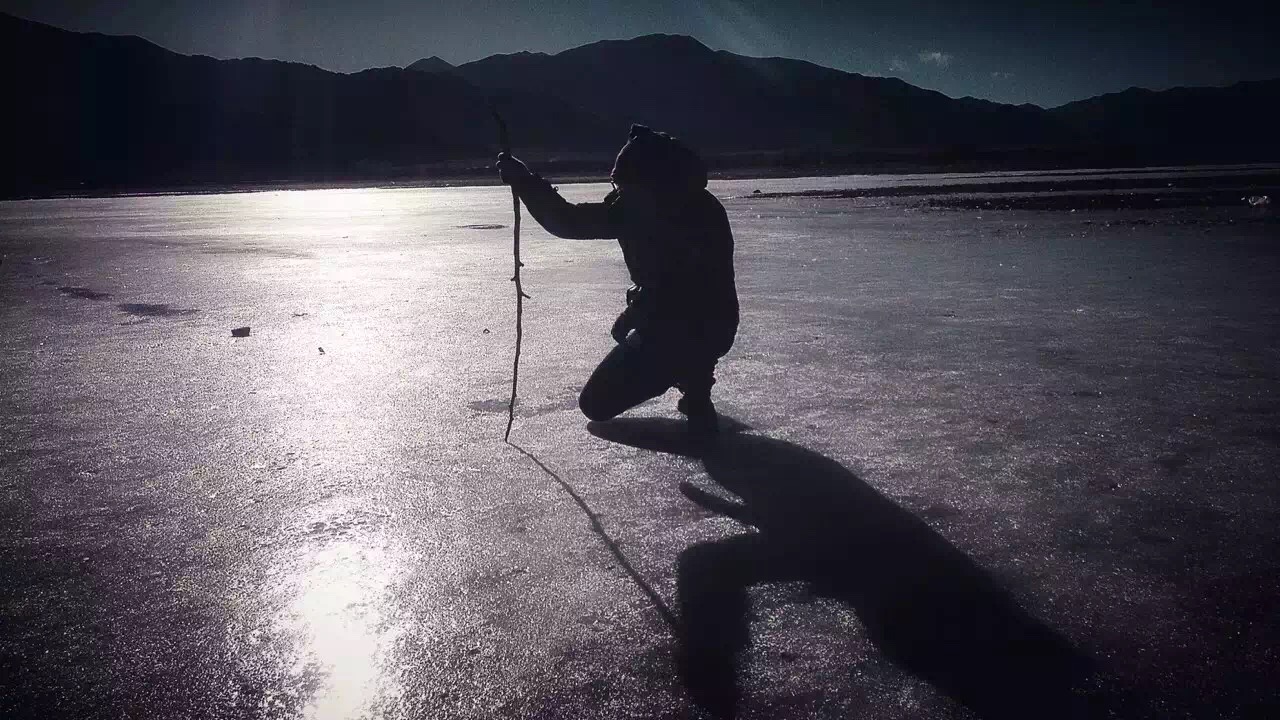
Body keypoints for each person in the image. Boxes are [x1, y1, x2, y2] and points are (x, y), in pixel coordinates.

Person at [496, 124, 738, 434]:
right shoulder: (644, 207)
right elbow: (570, 221)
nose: (620, 195)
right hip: (688, 325)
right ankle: (690, 376)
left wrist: (633, 315)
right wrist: (525, 181)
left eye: (626, 188)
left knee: (597, 403)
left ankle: (695, 385)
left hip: (699, 327)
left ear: (653, 183)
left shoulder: (690, 217)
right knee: (600, 398)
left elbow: (684, 292)